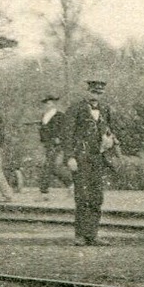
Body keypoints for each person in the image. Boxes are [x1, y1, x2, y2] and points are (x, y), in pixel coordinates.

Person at [63, 79, 117, 246]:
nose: (96, 96)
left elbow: (110, 131)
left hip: (98, 158)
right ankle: (80, 235)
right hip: (81, 158)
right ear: (87, 91)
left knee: (96, 197)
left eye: (99, 93)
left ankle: (92, 234)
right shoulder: (75, 108)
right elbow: (68, 134)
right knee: (82, 196)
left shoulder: (106, 109)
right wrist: (70, 157)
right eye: (93, 92)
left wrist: (111, 141)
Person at [36, 95, 71, 199]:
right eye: (45, 103)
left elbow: (65, 129)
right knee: (52, 168)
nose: (47, 105)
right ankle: (71, 185)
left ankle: (44, 192)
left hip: (57, 145)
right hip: (47, 144)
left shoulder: (60, 115)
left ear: (54, 104)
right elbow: (43, 130)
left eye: (49, 103)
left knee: (48, 166)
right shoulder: (44, 116)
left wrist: (59, 138)